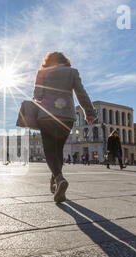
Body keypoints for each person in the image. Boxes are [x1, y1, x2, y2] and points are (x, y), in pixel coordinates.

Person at [33, 52, 97, 203]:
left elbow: (37, 95)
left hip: (47, 116)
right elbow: (81, 93)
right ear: (64, 61)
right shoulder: (72, 72)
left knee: (50, 150)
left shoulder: (42, 73)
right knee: (58, 149)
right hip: (67, 116)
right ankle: (55, 179)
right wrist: (90, 112)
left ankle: (59, 178)